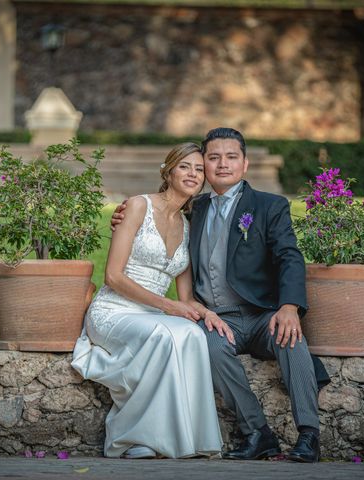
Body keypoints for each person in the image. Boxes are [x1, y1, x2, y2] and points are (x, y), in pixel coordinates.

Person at [112, 128, 329, 462]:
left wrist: (289, 307)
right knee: (208, 347)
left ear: (244, 165)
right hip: (216, 317)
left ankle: (309, 435)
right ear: (205, 165)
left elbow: (289, 257)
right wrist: (123, 219)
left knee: (291, 336)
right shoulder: (193, 209)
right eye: (213, 158)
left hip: (261, 315)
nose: (222, 164)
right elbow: (160, 218)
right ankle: (258, 434)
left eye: (231, 157)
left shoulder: (269, 205)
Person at [72, 142, 233, 460]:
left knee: (191, 334)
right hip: (113, 310)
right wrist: (171, 307)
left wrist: (207, 313)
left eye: (199, 169)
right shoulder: (136, 206)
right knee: (164, 334)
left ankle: (189, 438)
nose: (192, 174)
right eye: (185, 166)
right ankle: (133, 438)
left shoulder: (187, 228)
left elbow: (185, 298)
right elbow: (114, 277)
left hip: (150, 312)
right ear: (168, 170)